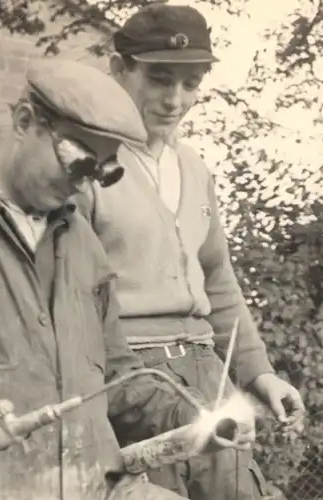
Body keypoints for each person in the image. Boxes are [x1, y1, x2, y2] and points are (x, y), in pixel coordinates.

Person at [0, 60, 250, 500]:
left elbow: (115, 375)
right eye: (78, 160)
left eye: (103, 172)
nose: (84, 184)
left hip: (91, 486)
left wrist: (193, 414)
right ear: (25, 122)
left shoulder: (81, 242)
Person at [75, 5, 305, 500]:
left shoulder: (195, 168)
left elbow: (218, 281)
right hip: (134, 384)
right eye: (159, 79)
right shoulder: (87, 168)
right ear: (120, 71)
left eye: (190, 83)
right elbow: (70, 298)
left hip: (208, 374)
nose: (174, 100)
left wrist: (260, 373)